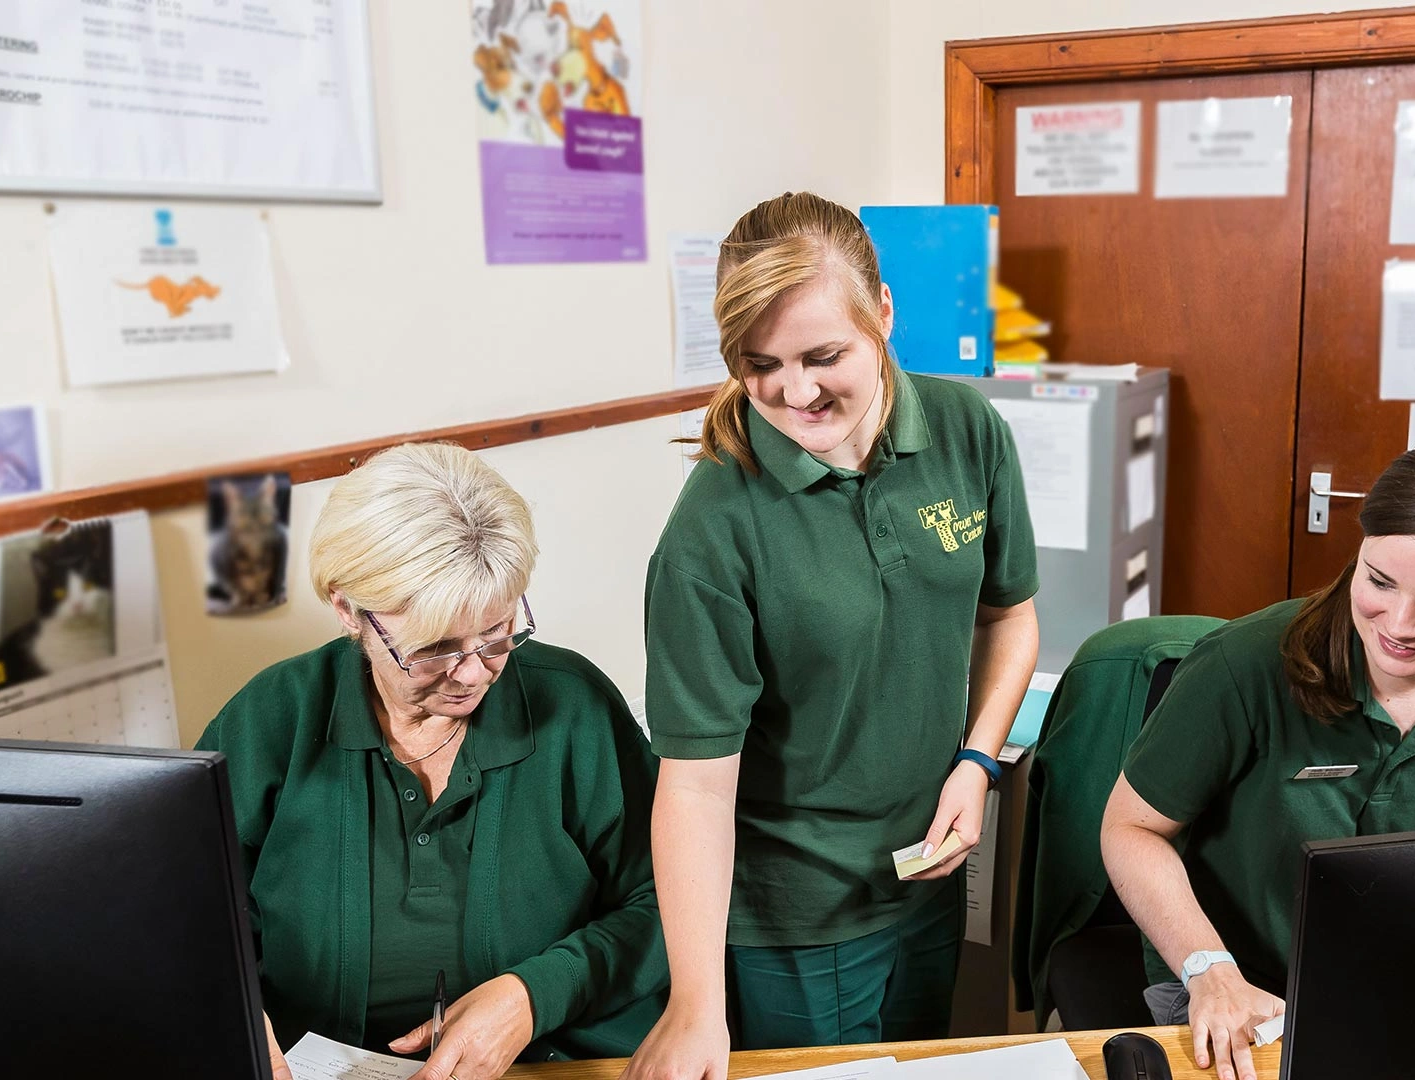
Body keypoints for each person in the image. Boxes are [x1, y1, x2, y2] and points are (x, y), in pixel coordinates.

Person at [624, 192, 1041, 1080]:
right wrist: (697, 1006)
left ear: (883, 313)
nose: (795, 391)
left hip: (926, 868)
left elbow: (1008, 616)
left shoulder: (965, 428)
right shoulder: (712, 531)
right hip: (797, 916)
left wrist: (978, 760)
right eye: (758, 363)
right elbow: (693, 788)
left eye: (824, 355)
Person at [1100, 442, 1415, 1080]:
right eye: (1378, 581)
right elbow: (1130, 829)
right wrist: (1206, 970)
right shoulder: (1243, 667)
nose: (1398, 624)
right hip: (1236, 986)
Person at [196, 442, 667, 1080]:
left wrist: (532, 997)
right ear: (349, 612)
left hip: (551, 1066)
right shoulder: (272, 719)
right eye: (436, 648)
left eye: (498, 636)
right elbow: (185, 917)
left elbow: (667, 904)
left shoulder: (572, 708)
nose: (474, 674)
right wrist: (237, 1025)